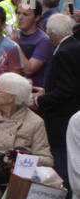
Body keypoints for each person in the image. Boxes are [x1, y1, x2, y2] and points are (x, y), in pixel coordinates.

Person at [38, 14, 80, 189]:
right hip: (70, 116)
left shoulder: (63, 52)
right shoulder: (75, 47)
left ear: (51, 33)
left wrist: (41, 100)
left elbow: (66, 89)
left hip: (62, 120)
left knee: (62, 169)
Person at [13, 1, 53, 89]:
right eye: (18, 13)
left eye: (25, 14)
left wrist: (16, 45)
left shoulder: (43, 40)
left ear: (37, 18)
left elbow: (29, 70)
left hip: (32, 93)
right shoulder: (14, 35)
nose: (20, 17)